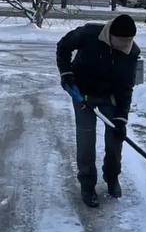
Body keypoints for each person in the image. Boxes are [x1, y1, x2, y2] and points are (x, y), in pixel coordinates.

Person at [56, 13, 140, 207]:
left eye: (128, 42)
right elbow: (63, 46)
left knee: (115, 141)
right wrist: (66, 73)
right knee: (86, 140)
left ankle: (112, 178)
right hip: (82, 94)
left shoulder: (131, 52)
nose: (125, 47)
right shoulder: (89, 34)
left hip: (109, 97)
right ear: (110, 36)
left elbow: (126, 87)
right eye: (121, 42)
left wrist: (121, 119)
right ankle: (87, 185)